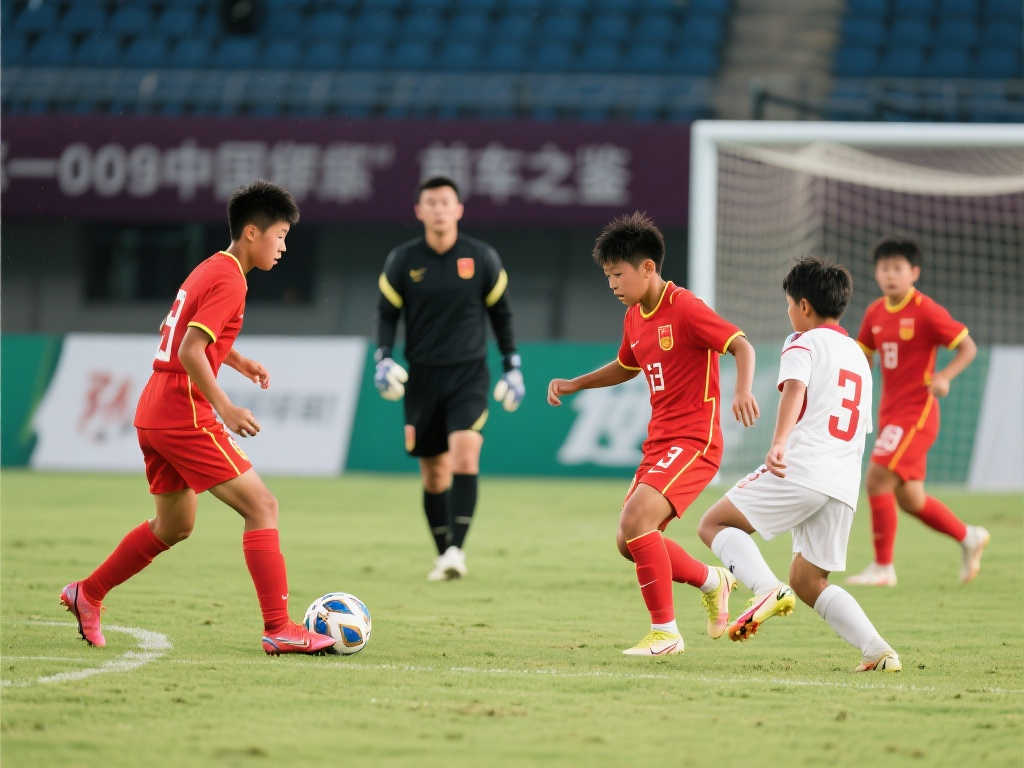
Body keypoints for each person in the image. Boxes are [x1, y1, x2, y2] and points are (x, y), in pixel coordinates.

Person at [60, 181, 335, 656]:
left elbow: (182, 332)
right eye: (280, 236)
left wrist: (237, 359)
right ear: (252, 232)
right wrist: (226, 407)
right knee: (262, 506)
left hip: (154, 409)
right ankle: (279, 627)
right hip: (182, 411)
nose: (284, 247)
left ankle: (88, 592)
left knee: (174, 526)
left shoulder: (212, 266)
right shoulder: (231, 280)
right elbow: (190, 349)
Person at [546, 211, 759, 656]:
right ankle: (712, 580)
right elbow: (627, 366)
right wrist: (576, 383)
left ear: (647, 267)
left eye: (617, 274)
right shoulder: (635, 316)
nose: (612, 284)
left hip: (695, 440)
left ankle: (666, 634)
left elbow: (741, 344)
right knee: (629, 541)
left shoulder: (685, 307)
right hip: (660, 442)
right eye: (607, 276)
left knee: (635, 522)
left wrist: (742, 390)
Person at [698, 257, 901, 672]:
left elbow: (794, 389)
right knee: (809, 581)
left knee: (713, 524)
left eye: (789, 304)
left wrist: (778, 443)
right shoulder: (857, 355)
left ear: (803, 305)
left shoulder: (802, 342)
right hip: (842, 482)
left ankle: (765, 589)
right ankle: (877, 650)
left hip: (803, 466)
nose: (789, 312)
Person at [374, 176, 524, 581]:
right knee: (435, 474)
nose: (439, 209)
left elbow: (502, 314)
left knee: (465, 454)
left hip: (469, 375)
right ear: (419, 211)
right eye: (431, 202)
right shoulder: (403, 260)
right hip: (421, 377)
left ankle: (457, 550)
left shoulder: (482, 257)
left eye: (446, 202)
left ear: (458, 210)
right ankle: (444, 553)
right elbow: (387, 314)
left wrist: (512, 365)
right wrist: (383, 358)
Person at [846, 238, 987, 587]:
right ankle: (969, 536)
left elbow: (968, 347)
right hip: (890, 413)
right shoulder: (875, 312)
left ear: (914, 273)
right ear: (876, 273)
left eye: (898, 268)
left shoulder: (926, 310)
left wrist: (944, 376)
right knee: (910, 499)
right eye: (884, 268)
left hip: (917, 414)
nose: (890, 275)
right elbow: (864, 355)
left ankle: (883, 568)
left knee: (877, 479)